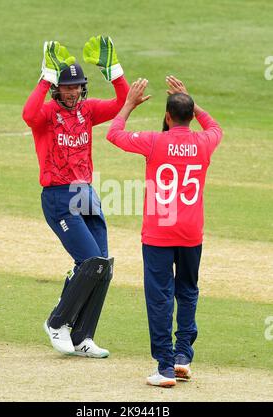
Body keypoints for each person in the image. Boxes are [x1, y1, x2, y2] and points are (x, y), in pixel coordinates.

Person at [106, 76, 223, 386]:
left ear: (168, 117)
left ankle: (164, 367)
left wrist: (128, 104)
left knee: (160, 298)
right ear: (188, 115)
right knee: (187, 291)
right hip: (191, 233)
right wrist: (191, 101)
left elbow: (113, 134)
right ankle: (183, 356)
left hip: (159, 231)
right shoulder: (204, 141)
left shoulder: (155, 141)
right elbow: (215, 127)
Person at [22, 37, 129, 358]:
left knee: (103, 266)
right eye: (66, 87)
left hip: (87, 195)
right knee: (88, 262)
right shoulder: (46, 114)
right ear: (57, 88)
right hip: (58, 197)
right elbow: (28, 114)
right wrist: (45, 77)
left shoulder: (88, 110)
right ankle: (57, 323)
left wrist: (113, 70)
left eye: (77, 87)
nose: (72, 92)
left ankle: (82, 336)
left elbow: (121, 102)